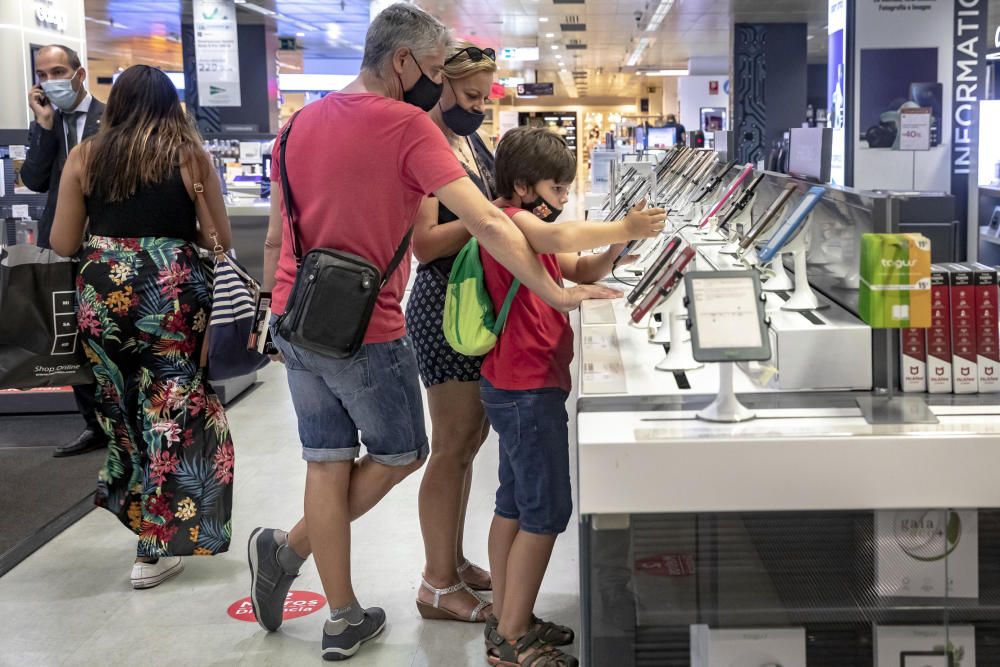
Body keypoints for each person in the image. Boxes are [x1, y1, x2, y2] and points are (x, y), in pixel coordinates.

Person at [245, 3, 662, 661]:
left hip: (299, 316)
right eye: (437, 72)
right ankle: (302, 548)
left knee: (325, 461)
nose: (441, 88)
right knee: (405, 451)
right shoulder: (409, 126)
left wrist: (268, 311)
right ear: (403, 62)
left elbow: (276, 233)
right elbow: (490, 225)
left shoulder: (297, 126)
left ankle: (341, 610)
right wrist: (555, 287)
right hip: (365, 324)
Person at [405, 43, 666, 625]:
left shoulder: (479, 156)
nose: (477, 106)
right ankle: (459, 592)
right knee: (497, 477)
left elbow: (569, 260)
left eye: (484, 97)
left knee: (505, 488)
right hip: (475, 331)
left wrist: (617, 247)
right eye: (471, 96)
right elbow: (528, 238)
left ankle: (500, 605)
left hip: (506, 358)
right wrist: (488, 224)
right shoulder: (504, 213)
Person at [49, 65, 235, 590]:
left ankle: (139, 527)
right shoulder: (188, 156)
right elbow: (217, 239)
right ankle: (153, 548)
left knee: (122, 411)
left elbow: (64, 243)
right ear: (169, 103)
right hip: (172, 296)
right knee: (171, 414)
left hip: (102, 296)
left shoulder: (86, 155)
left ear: (116, 103)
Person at [478, 127, 653, 666]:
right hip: (527, 389)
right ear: (527, 185)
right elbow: (559, 241)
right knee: (545, 512)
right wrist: (624, 222)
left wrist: (618, 248)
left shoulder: (526, 230)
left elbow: (578, 266)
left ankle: (509, 616)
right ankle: (511, 641)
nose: (564, 199)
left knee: (514, 503)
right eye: (557, 188)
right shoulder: (514, 222)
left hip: (515, 386)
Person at [19, 44, 108, 459]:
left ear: (79, 73)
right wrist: (43, 125)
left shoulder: (111, 117)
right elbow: (36, 181)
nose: (50, 79)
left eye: (58, 71)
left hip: (106, 243)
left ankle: (120, 422)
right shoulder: (47, 123)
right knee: (69, 337)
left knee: (107, 336)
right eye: (43, 73)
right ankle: (93, 424)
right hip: (60, 247)